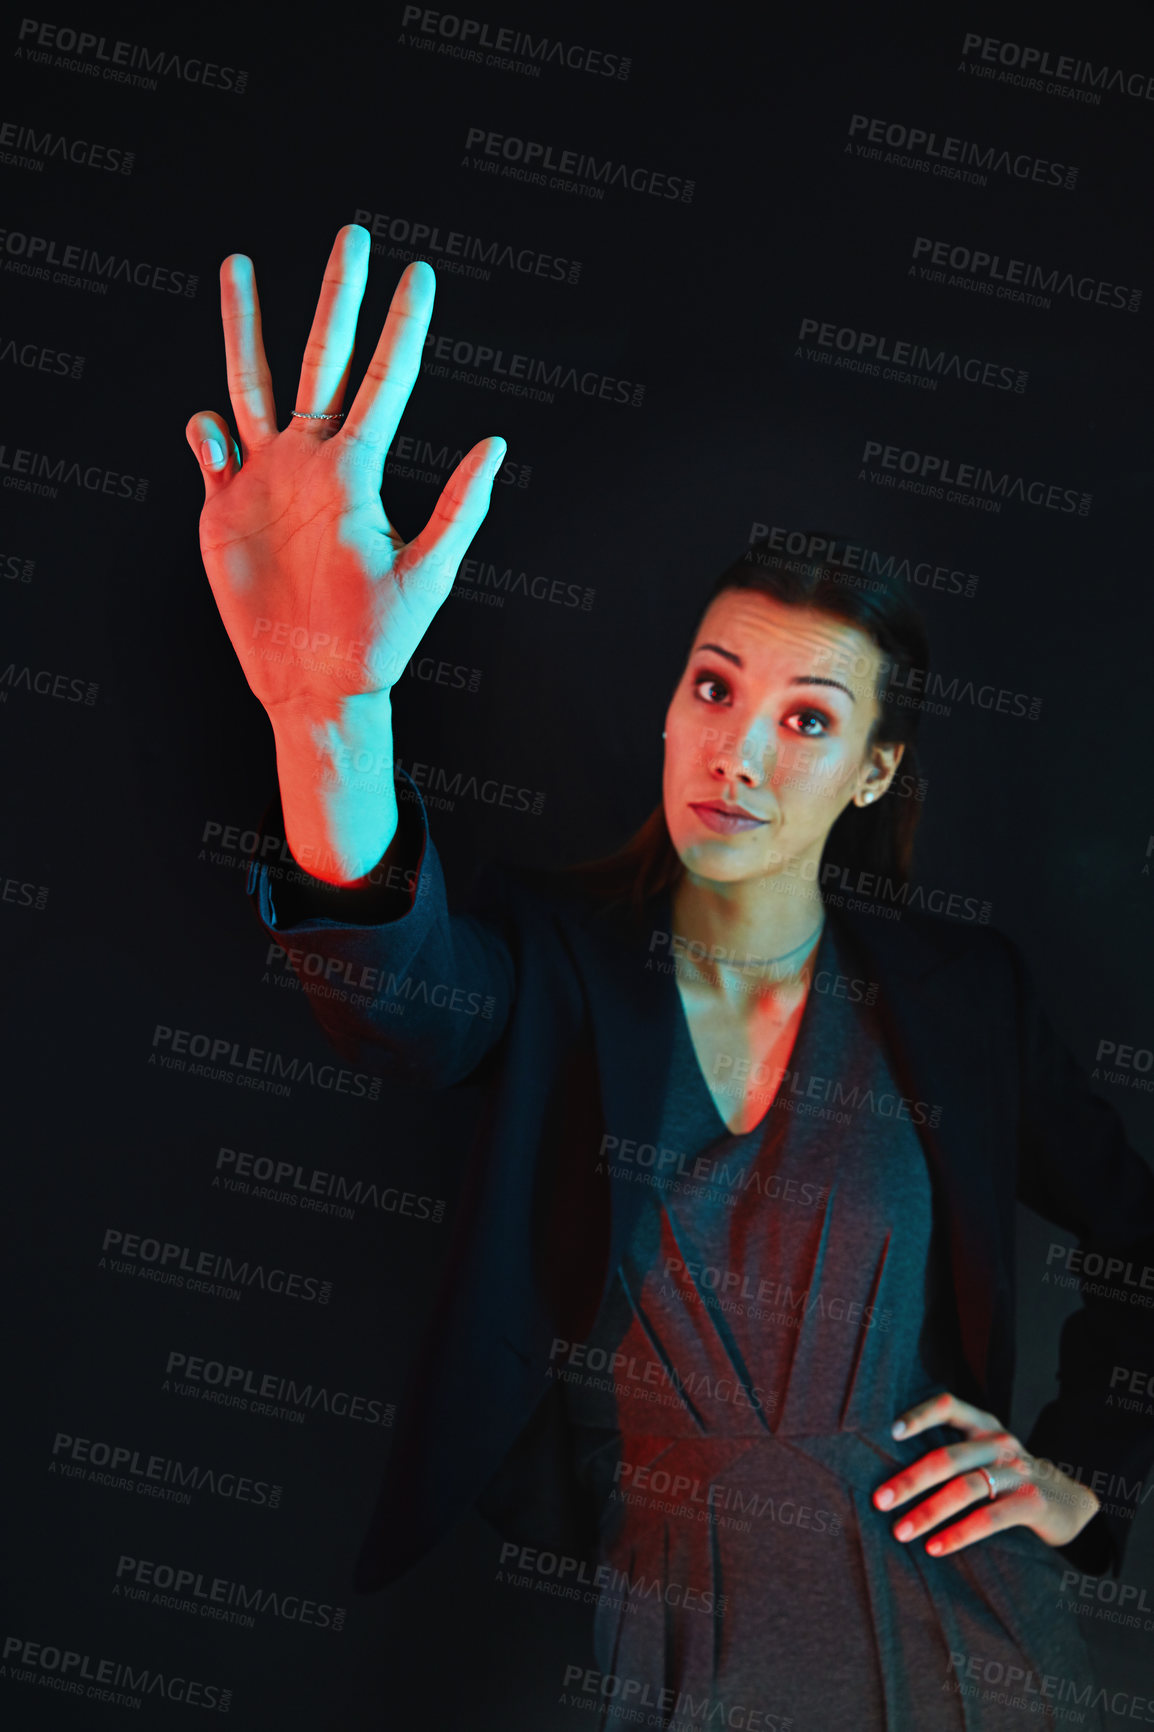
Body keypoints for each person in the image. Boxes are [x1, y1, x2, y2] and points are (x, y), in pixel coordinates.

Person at [186, 225, 1154, 1729]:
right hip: (686, 1644)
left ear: (872, 770)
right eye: (714, 686)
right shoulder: (558, 967)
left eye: (807, 720)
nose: (739, 750)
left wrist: (1092, 1481)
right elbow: (394, 987)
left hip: (978, 1646)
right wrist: (331, 715)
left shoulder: (962, 997)